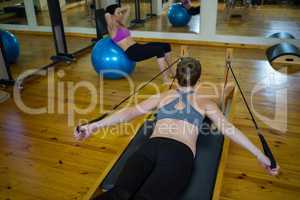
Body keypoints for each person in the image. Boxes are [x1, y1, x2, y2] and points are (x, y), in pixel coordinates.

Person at [74, 57, 279, 200]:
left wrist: (93, 126)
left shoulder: (163, 96)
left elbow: (128, 113)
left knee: (119, 194)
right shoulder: (205, 101)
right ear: (199, 78)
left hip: (150, 148)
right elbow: (228, 129)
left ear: (177, 76)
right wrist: (260, 155)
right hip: (179, 153)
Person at [105, 4, 174, 83]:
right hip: (133, 52)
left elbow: (128, 7)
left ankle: (172, 71)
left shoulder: (121, 23)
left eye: (121, 12)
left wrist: (118, 10)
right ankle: (165, 78)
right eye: (118, 13)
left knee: (166, 45)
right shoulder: (112, 27)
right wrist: (114, 12)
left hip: (137, 46)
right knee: (159, 50)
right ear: (112, 15)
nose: (121, 14)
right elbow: (107, 15)